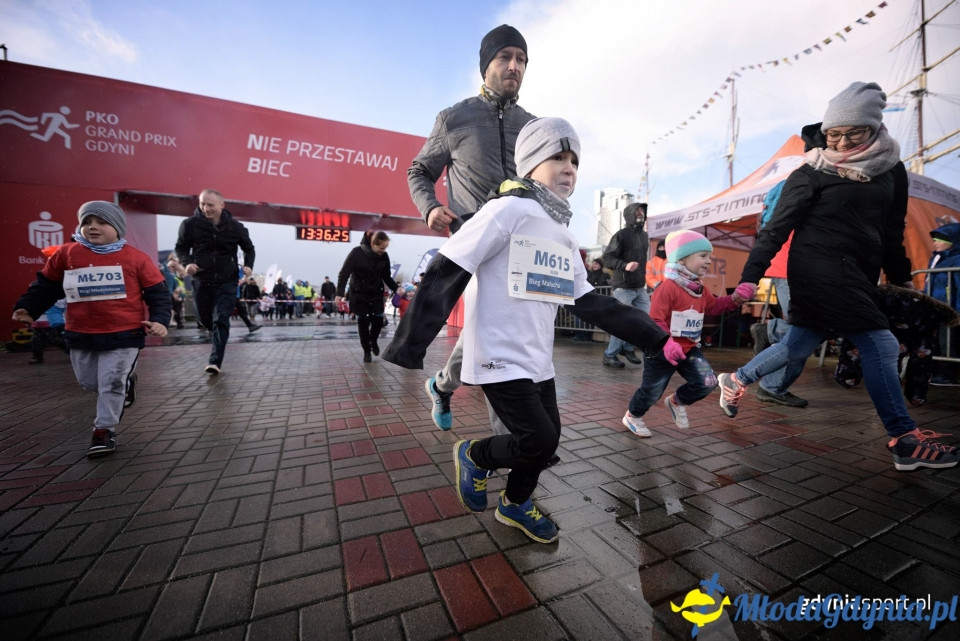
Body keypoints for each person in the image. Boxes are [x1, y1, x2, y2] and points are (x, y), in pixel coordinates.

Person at [384, 118, 668, 543]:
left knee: (546, 442)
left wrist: (656, 339)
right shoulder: (506, 211)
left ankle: (514, 505)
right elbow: (451, 265)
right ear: (531, 164)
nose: (569, 167)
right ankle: (475, 455)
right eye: (558, 156)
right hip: (498, 355)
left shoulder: (563, 234)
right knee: (535, 439)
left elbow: (589, 301)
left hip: (538, 358)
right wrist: (410, 344)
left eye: (574, 160)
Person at [716, 81, 957, 471]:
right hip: (817, 271)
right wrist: (750, 277)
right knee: (881, 345)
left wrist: (902, 281)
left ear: (876, 127)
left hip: (859, 274)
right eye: (833, 134)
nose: (841, 144)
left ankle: (737, 379)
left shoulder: (891, 170)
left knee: (798, 344)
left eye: (853, 133)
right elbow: (774, 230)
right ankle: (904, 439)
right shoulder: (811, 172)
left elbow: (890, 233)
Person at [408, 24, 535, 432]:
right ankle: (513, 443)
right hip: (475, 241)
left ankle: (444, 387)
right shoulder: (454, 118)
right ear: (486, 66)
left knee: (491, 326)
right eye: (505, 57)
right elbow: (419, 170)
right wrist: (430, 208)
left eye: (521, 59)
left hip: (522, 243)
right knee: (497, 330)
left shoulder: (534, 126)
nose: (514, 66)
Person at [12, 201, 170, 456]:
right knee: (89, 382)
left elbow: (157, 294)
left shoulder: (137, 259)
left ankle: (104, 431)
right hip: (80, 333)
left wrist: (160, 320)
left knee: (110, 382)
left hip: (125, 334)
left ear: (118, 228)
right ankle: (126, 382)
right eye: (87, 222)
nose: (92, 227)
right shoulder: (66, 254)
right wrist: (27, 307)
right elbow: (46, 286)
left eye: (101, 222)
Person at [622, 231, 754, 436]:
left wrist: (735, 298)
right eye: (703, 256)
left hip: (690, 349)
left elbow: (713, 306)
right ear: (682, 258)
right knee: (652, 392)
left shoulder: (699, 288)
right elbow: (655, 320)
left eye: (709, 256)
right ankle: (632, 416)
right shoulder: (667, 288)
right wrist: (667, 343)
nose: (709, 261)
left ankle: (676, 402)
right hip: (660, 351)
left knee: (708, 382)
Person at [176, 189, 257, 375]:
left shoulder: (236, 227)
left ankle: (215, 361)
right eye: (203, 204)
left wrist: (248, 266)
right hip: (201, 279)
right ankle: (215, 334)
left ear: (222, 205)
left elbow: (249, 249)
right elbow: (180, 248)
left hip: (227, 280)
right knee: (205, 319)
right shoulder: (190, 225)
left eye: (210, 205)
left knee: (221, 318)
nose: (206, 208)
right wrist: (187, 263)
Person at [747, 180, 809, 408]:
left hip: (787, 268)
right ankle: (771, 385)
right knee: (805, 330)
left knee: (807, 329)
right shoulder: (802, 186)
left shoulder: (779, 198)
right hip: (792, 268)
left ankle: (770, 331)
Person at [336, 230, 399, 362]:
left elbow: (386, 276)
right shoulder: (356, 253)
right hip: (359, 294)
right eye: (381, 248)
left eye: (385, 248)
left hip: (376, 293)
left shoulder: (384, 256)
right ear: (373, 243)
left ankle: (373, 340)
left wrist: (396, 288)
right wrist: (339, 293)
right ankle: (366, 350)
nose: (383, 251)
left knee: (377, 321)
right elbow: (344, 273)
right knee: (363, 323)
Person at [601, 202, 651, 368]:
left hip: (639, 287)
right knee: (622, 321)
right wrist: (625, 265)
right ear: (629, 214)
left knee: (643, 320)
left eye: (642, 211)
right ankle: (610, 354)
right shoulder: (621, 235)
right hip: (623, 286)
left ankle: (628, 348)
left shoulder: (645, 236)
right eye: (637, 211)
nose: (640, 213)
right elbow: (606, 258)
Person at [926, 223, 960, 385]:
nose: (935, 242)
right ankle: (937, 372)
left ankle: (948, 374)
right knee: (937, 341)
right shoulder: (937, 259)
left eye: (940, 239)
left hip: (951, 310)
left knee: (948, 343)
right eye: (934, 239)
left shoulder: (956, 259)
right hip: (936, 309)